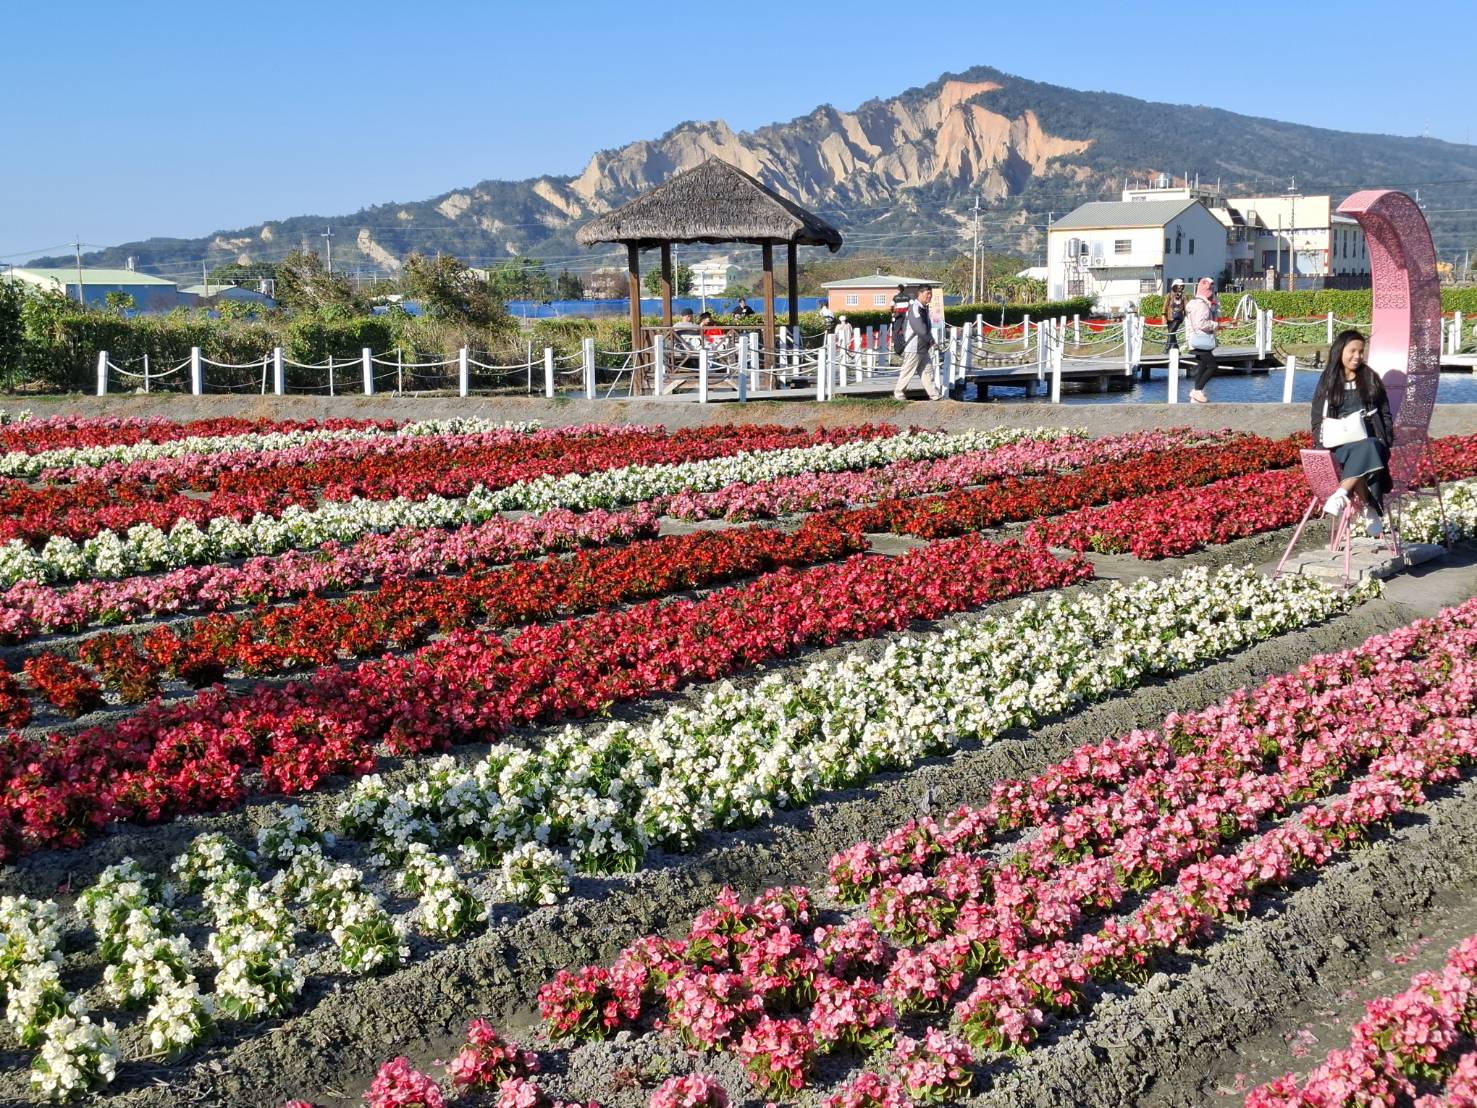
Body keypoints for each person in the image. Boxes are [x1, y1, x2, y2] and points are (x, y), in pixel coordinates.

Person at [1312, 328, 1393, 536]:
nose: (1357, 356)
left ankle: (1340, 494)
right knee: (1365, 453)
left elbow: (1385, 412)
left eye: (1361, 351)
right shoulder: (1329, 380)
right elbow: (1316, 417)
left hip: (1372, 441)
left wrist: (1388, 438)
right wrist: (1320, 447)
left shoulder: (1369, 377)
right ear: (1340, 351)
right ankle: (1370, 508)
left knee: (1370, 446)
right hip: (1340, 445)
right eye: (1352, 351)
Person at [894, 285, 941, 401]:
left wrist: (929, 342)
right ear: (920, 294)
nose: (929, 296)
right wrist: (931, 341)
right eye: (927, 294)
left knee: (927, 372)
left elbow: (924, 328)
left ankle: (935, 396)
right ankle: (899, 395)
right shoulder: (915, 307)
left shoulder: (923, 308)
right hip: (914, 347)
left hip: (922, 347)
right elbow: (919, 327)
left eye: (930, 294)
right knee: (907, 371)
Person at [1185, 277, 1220, 403]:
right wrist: (1216, 325)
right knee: (1212, 366)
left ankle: (1196, 391)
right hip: (1202, 340)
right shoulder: (1202, 305)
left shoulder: (1193, 303)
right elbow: (1202, 323)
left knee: (1202, 366)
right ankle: (1197, 390)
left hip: (1195, 339)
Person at [1163, 278, 1187, 352]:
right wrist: (1163, 316)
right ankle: (1176, 349)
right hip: (1169, 317)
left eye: (1181, 286)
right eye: (1178, 286)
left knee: (1172, 331)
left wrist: (1186, 315)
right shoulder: (1169, 295)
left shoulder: (1183, 296)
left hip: (1178, 317)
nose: (1180, 287)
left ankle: (1166, 349)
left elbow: (1187, 306)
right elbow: (1165, 306)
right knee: (1172, 333)